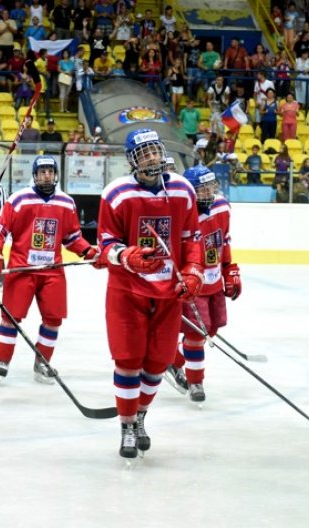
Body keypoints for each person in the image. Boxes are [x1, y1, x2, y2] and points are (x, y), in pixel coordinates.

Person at [96, 128, 204, 459]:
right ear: (132, 160)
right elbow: (106, 243)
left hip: (169, 292)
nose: (152, 157)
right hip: (127, 291)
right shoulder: (116, 193)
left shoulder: (183, 189)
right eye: (144, 153)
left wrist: (193, 272)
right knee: (129, 360)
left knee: (157, 363)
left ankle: (140, 415)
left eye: (155, 150)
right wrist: (126, 256)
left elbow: (192, 237)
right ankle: (127, 425)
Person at [0, 156, 98, 383]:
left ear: (55, 174)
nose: (46, 175)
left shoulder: (66, 202)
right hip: (22, 269)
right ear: (34, 174)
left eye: (50, 171)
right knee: (10, 318)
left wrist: (88, 251)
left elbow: (72, 237)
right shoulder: (19, 200)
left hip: (52, 270)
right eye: (42, 171)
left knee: (53, 319)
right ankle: (3, 360)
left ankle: (42, 362)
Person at [164, 166, 241, 403]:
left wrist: (230, 270)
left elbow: (224, 241)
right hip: (194, 281)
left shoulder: (222, 207)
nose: (208, 192)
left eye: (210, 186)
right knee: (197, 334)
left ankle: (171, 361)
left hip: (214, 281)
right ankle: (196, 382)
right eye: (201, 188)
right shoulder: (183, 215)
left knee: (211, 330)